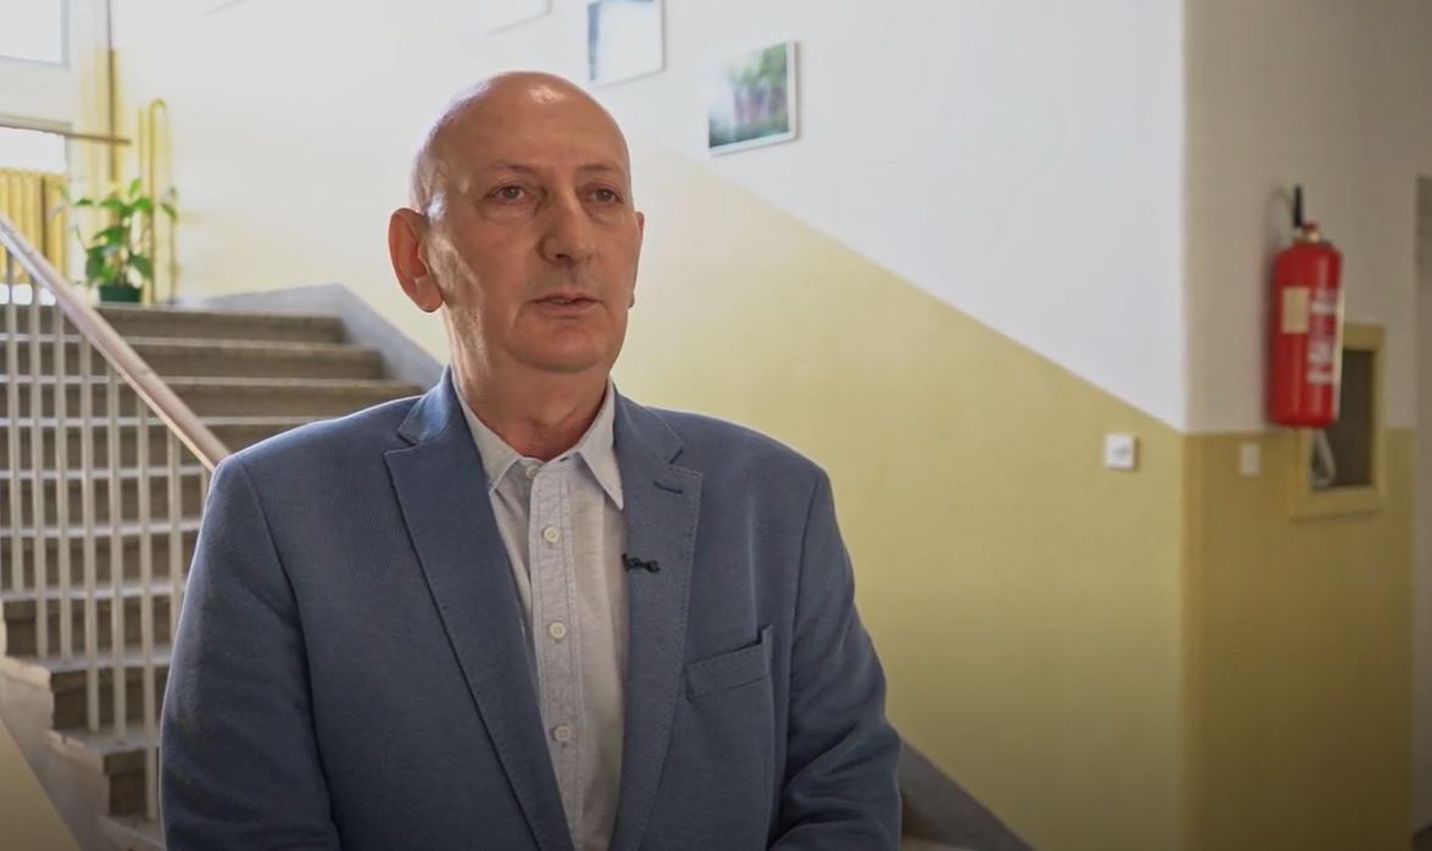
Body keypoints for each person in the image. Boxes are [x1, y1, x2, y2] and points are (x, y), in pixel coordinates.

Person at [160, 71, 901, 850]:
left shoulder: (775, 502)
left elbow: (845, 795)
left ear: (635, 247)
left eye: (602, 196)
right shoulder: (280, 511)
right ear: (417, 258)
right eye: (512, 194)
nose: (573, 240)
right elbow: (241, 829)